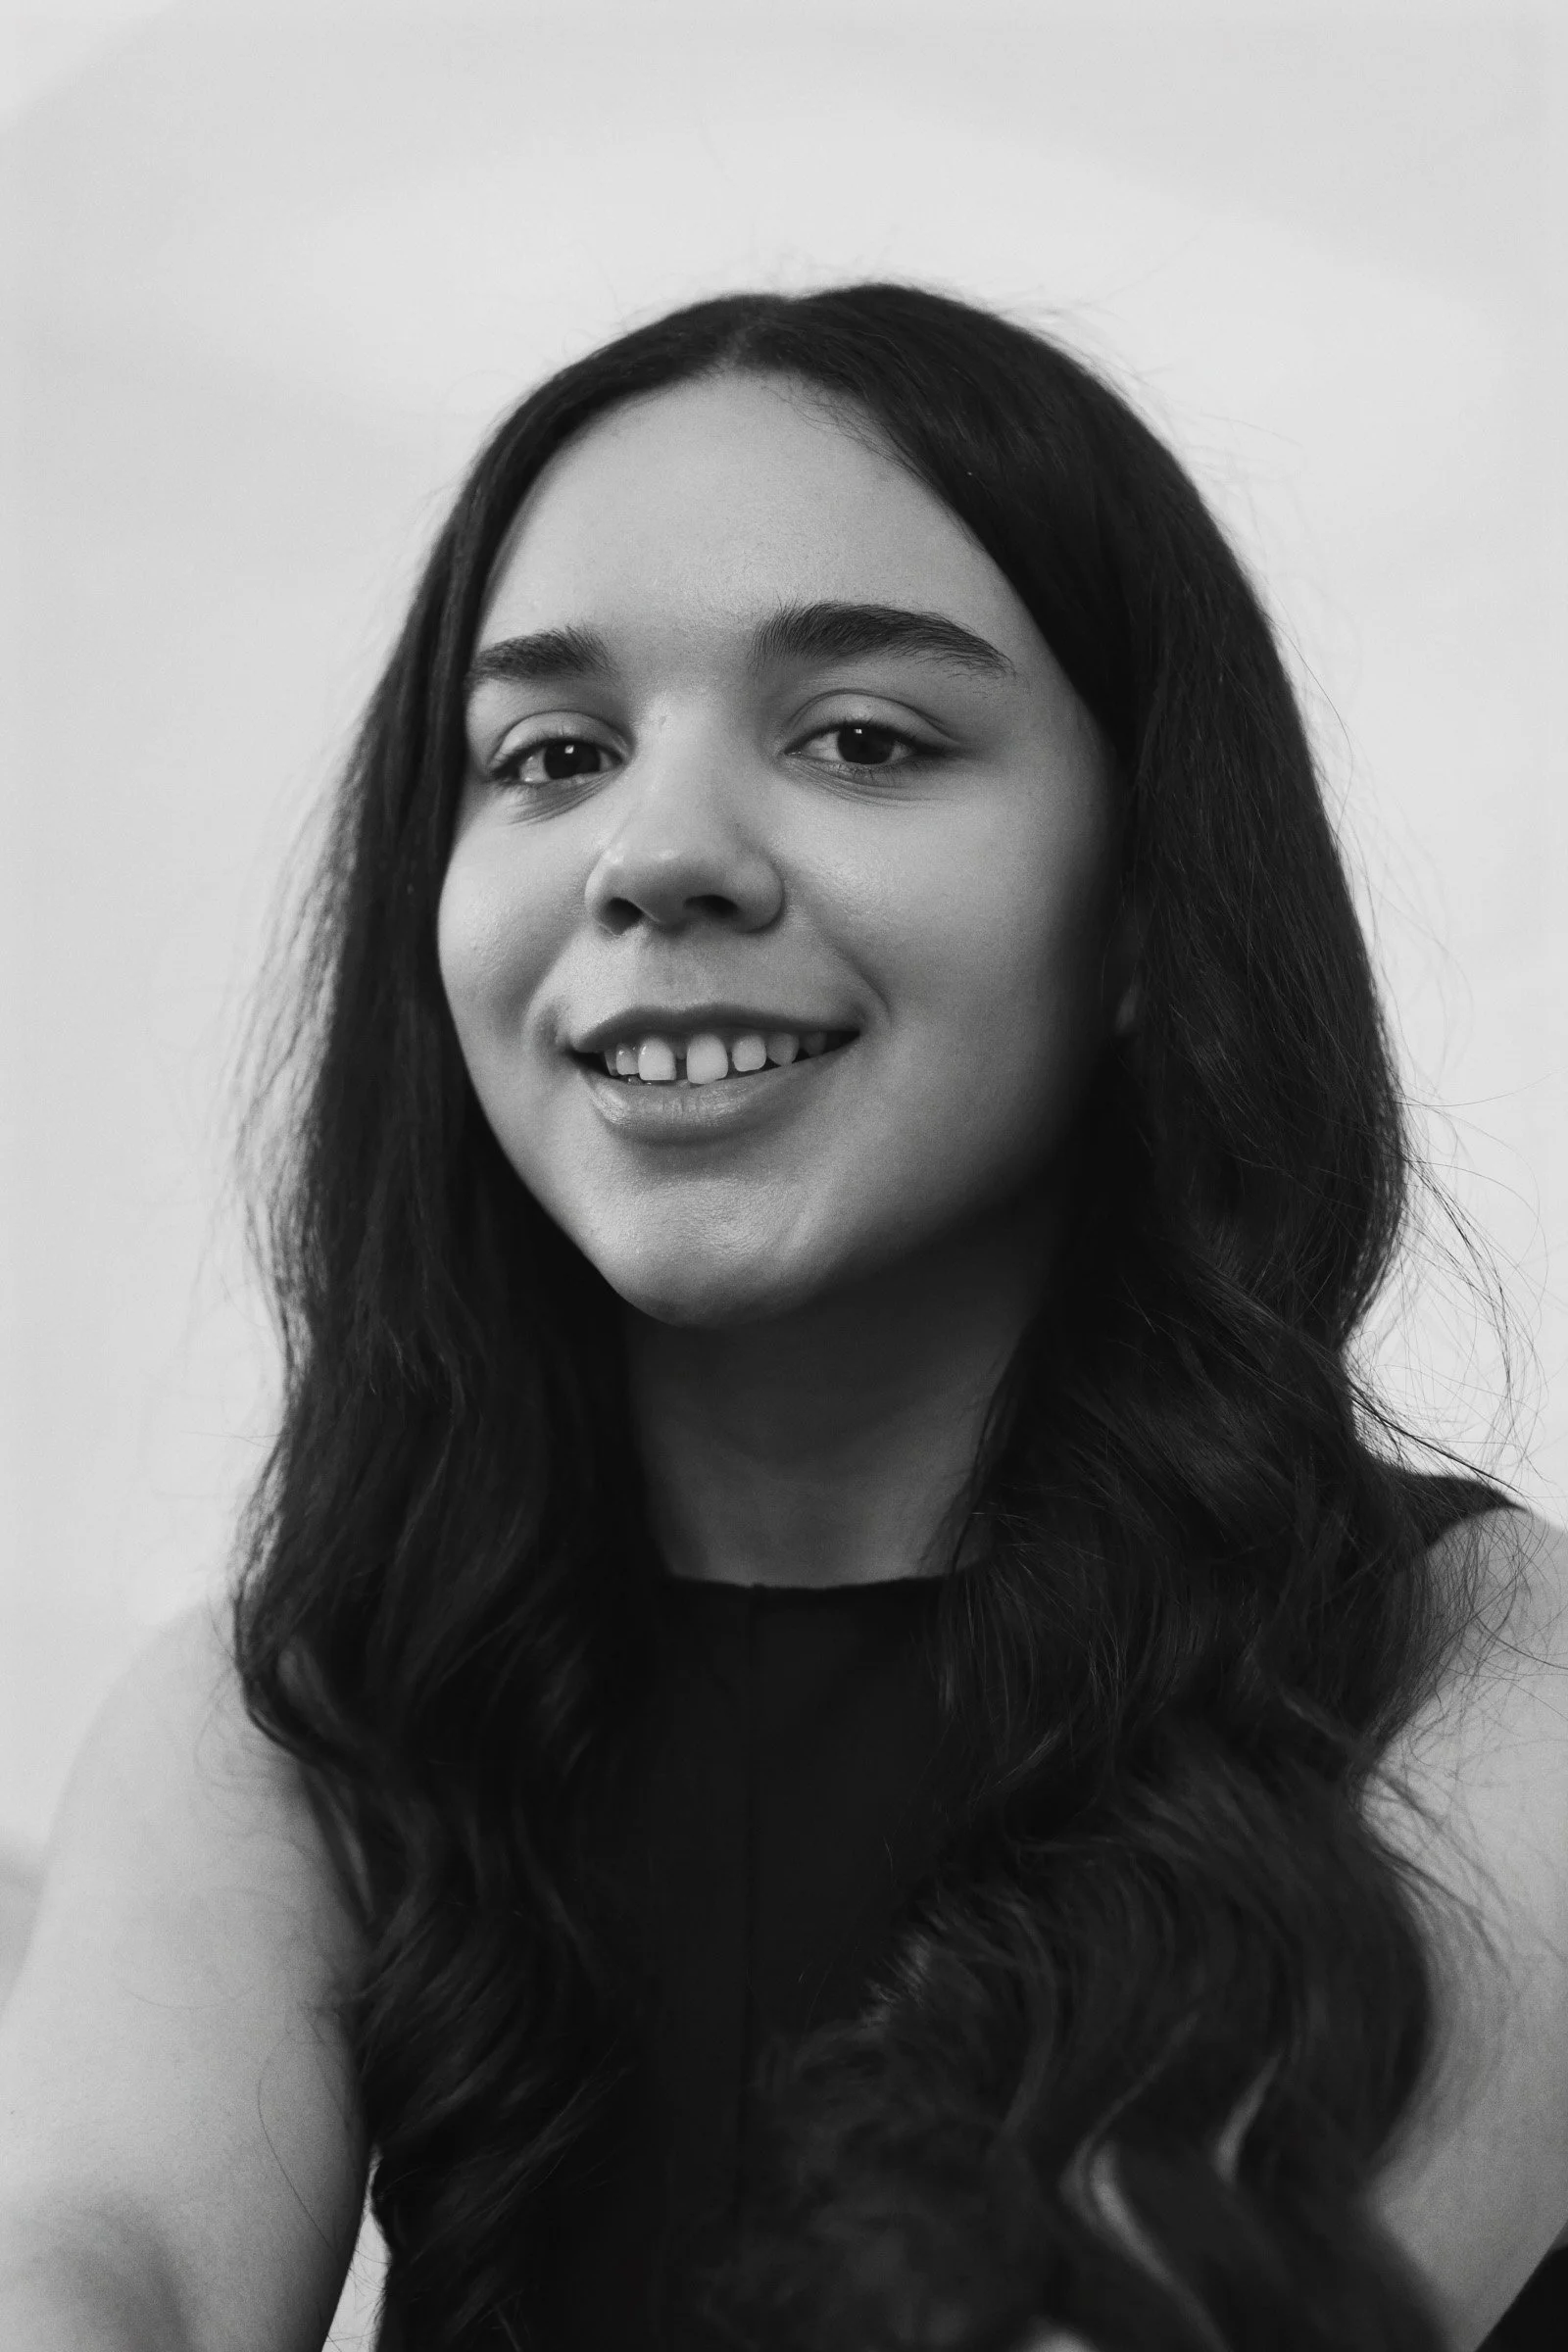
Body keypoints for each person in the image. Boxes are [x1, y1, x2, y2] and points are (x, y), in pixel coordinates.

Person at [0, 284, 1564, 2352]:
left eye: (861, 739)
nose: (653, 856)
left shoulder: (1496, 1681)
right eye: (548, 755)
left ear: (1139, 913)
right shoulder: (281, 1726)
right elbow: (104, 2272)